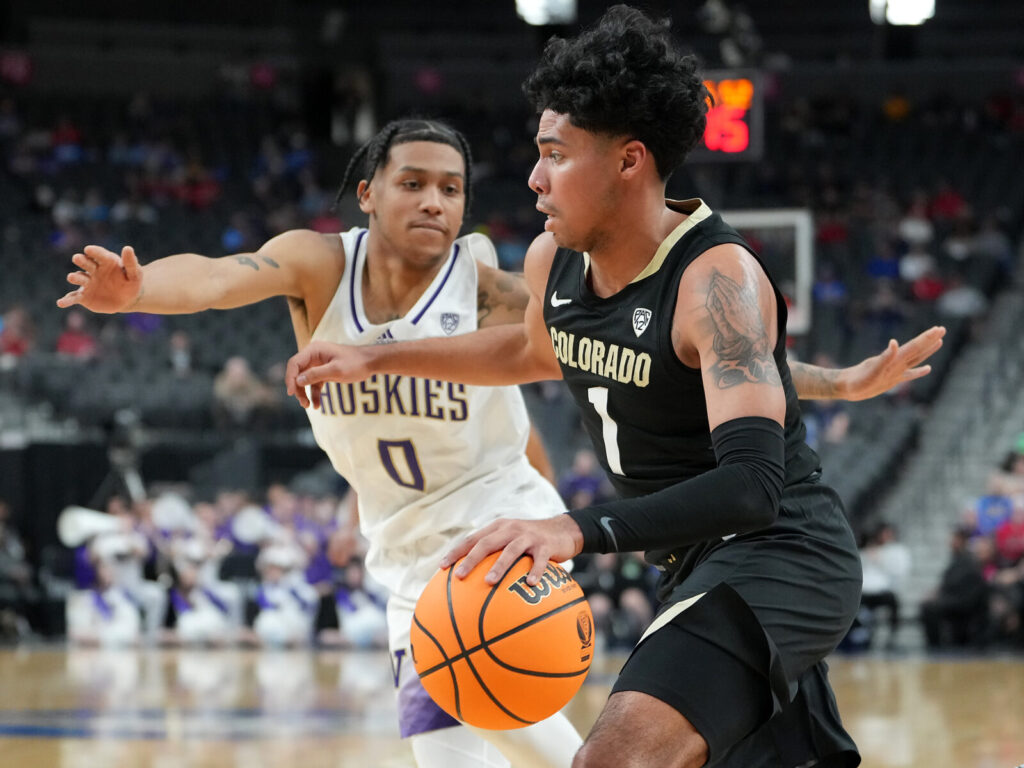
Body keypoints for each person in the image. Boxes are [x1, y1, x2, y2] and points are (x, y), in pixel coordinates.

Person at [60, 115, 938, 767]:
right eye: (413, 182)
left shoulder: (482, 279)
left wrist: (834, 381)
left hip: (499, 525)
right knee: (495, 737)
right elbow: (213, 280)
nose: (435, 201)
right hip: (402, 547)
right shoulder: (319, 266)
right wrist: (135, 293)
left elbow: (690, 350)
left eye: (451, 187)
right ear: (368, 192)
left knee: (484, 730)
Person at [282, 8, 947, 767]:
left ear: (628, 161)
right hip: (695, 565)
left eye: (555, 155)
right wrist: (380, 356)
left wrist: (572, 528)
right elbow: (531, 352)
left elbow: (754, 484)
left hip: (779, 553)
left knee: (613, 758)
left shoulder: (714, 278)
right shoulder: (553, 263)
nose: (533, 178)